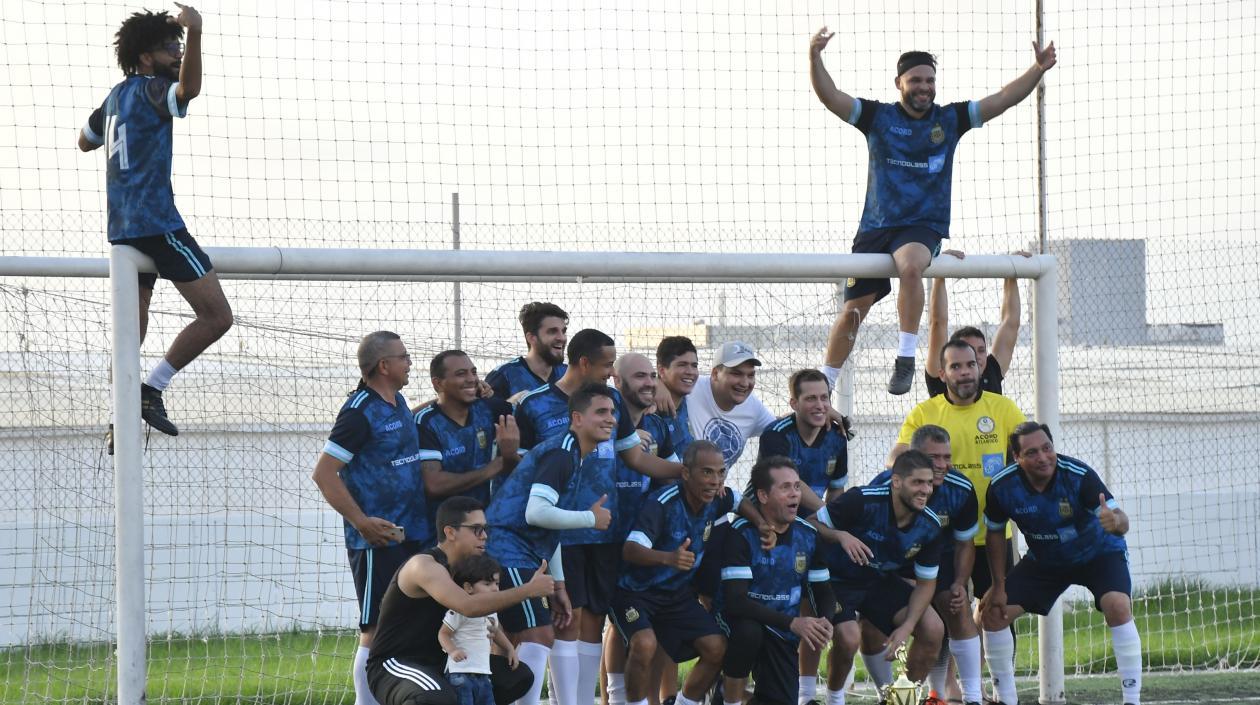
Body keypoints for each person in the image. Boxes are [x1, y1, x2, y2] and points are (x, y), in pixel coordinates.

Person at [810, 28, 1057, 395]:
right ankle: (824, 386)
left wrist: (1036, 70)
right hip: (875, 227)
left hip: (921, 227)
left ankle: (905, 356)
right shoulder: (878, 117)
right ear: (899, 83)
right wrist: (815, 56)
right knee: (852, 313)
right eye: (916, 80)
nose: (924, 86)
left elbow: (1002, 98)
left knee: (911, 265)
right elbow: (831, 98)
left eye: (930, 80)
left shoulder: (949, 120)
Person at [80, 3, 233, 437]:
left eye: (181, 46)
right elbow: (190, 90)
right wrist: (198, 32)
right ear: (145, 57)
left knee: (132, 331)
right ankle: (152, 388)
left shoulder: (113, 97)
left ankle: (120, 412)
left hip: (122, 227)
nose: (179, 55)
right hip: (157, 223)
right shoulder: (150, 90)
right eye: (172, 48)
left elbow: (84, 140)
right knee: (217, 317)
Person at [515, 332, 683, 705]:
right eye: (608, 366)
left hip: (604, 531)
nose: (612, 376)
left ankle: (584, 700)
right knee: (565, 621)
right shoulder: (535, 405)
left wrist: (685, 471)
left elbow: (636, 459)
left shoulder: (611, 406)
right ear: (586, 364)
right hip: (560, 532)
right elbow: (522, 468)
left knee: (592, 619)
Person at [980, 423, 1141, 705]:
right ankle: (1006, 700)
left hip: (1098, 553)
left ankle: (1132, 699)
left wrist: (1115, 523)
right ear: (1016, 457)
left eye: (1047, 448)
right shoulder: (1001, 486)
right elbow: (994, 532)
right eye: (1032, 452)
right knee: (992, 613)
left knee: (1118, 605)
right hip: (1046, 560)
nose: (1043, 457)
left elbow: (1119, 517)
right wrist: (998, 585)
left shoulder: (1078, 475)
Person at [311, 331, 430, 705]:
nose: (410, 362)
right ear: (384, 365)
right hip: (377, 541)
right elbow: (324, 473)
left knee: (406, 626)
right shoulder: (357, 412)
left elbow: (394, 433)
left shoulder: (396, 401)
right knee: (376, 628)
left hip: (413, 532)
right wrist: (362, 522)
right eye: (404, 356)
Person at [484, 384, 620, 705]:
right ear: (577, 418)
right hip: (506, 549)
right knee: (539, 635)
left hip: (521, 551)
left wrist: (558, 583)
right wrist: (590, 519)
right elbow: (536, 513)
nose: (610, 419)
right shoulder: (561, 455)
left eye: (612, 412)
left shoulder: (573, 454)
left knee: (516, 638)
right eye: (601, 412)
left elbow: (550, 526)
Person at [608, 441, 764, 705]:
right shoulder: (662, 503)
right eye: (706, 472)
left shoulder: (717, 496)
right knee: (644, 644)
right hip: (634, 593)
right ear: (685, 473)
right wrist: (668, 558)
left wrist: (761, 524)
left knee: (716, 648)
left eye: (720, 472)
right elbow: (631, 550)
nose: (715, 481)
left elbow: (739, 501)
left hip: (675, 596)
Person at [367, 497, 552, 705]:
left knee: (517, 676)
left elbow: (485, 611)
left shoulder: (469, 570)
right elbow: (468, 606)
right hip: (396, 664)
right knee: (435, 698)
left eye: (485, 529)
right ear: (450, 532)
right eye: (476, 529)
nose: (484, 536)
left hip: (445, 661)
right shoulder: (423, 565)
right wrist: (529, 590)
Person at [888, 340, 1026, 609]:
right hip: (943, 535)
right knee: (946, 612)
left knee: (998, 610)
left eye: (971, 364)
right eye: (956, 366)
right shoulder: (925, 413)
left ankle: (990, 653)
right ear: (942, 373)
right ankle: (946, 652)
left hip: (993, 532)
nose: (965, 372)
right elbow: (897, 457)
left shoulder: (1004, 408)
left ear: (979, 367)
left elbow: (1028, 453)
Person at [807, 451, 946, 705]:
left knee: (933, 629)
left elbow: (926, 584)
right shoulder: (862, 500)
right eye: (917, 482)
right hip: (835, 580)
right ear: (896, 482)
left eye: (929, 483)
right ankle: (834, 699)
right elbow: (810, 524)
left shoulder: (930, 525)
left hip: (877, 581)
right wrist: (841, 536)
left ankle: (901, 700)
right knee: (849, 638)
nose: (925, 490)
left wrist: (906, 627)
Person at [864, 426, 983, 705]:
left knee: (958, 609)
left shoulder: (962, 489)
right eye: (934, 457)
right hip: (889, 566)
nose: (942, 465)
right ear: (914, 455)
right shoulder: (882, 487)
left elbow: (966, 544)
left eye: (947, 457)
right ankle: (887, 696)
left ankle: (972, 698)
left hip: (936, 564)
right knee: (868, 627)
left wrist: (959, 583)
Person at [718, 457, 835, 705]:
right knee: (748, 631)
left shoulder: (809, 535)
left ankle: (726, 694)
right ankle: (730, 698)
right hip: (738, 624)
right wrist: (793, 622)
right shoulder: (740, 533)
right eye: (785, 488)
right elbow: (736, 602)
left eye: (796, 487)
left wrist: (825, 619)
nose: (795, 495)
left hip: (781, 631)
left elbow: (823, 591)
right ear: (762, 495)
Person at [416, 350, 518, 525]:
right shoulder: (426, 422)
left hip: (484, 524)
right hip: (442, 531)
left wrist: (509, 457)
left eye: (474, 372)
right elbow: (434, 484)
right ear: (438, 384)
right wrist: (493, 468)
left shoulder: (489, 409)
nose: (472, 379)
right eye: (461, 374)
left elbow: (528, 412)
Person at [925, 259, 1029, 398]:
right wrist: (940, 275)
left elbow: (1010, 323)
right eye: (970, 350)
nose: (977, 357)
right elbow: (938, 324)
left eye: (981, 350)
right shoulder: (941, 372)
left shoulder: (991, 370)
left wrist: (1011, 271)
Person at [758, 368, 849, 515]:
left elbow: (836, 488)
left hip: (811, 519)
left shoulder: (837, 437)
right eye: (811, 398)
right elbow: (790, 483)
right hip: (767, 520)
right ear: (794, 404)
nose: (820, 405)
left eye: (824, 398)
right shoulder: (776, 435)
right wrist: (828, 514)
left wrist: (831, 521)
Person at [438, 554, 519, 705]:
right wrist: (452, 650)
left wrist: (509, 648)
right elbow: (443, 633)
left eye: (497, 583)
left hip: (483, 674)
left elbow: (495, 632)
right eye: (488, 584)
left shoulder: (491, 611)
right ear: (468, 587)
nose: (495, 589)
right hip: (460, 674)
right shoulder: (460, 610)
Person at [687, 341, 777, 468]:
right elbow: (663, 382)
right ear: (715, 374)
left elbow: (777, 429)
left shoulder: (753, 407)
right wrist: (659, 387)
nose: (745, 383)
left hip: (717, 487)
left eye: (751, 375)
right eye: (736, 374)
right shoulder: (692, 389)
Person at [486, 301, 569, 402]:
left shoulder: (567, 374)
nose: (561, 338)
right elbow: (485, 414)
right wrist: (511, 405)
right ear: (531, 338)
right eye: (552, 331)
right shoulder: (504, 376)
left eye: (563, 331)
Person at [654, 335, 700, 457]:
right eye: (682, 365)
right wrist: (654, 382)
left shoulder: (693, 399)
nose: (690, 372)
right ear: (662, 370)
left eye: (694, 365)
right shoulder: (649, 410)